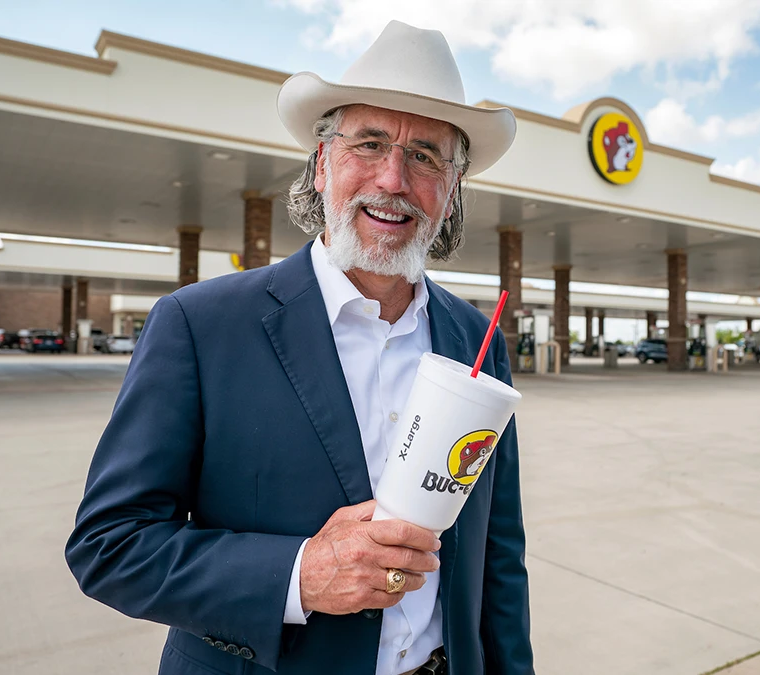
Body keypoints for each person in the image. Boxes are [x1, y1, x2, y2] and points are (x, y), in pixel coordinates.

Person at [65, 20, 533, 675]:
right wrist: (299, 573)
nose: (393, 178)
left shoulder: (476, 340)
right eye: (368, 143)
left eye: (426, 156)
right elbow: (110, 546)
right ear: (321, 165)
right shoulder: (199, 325)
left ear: (451, 190)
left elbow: (498, 556)